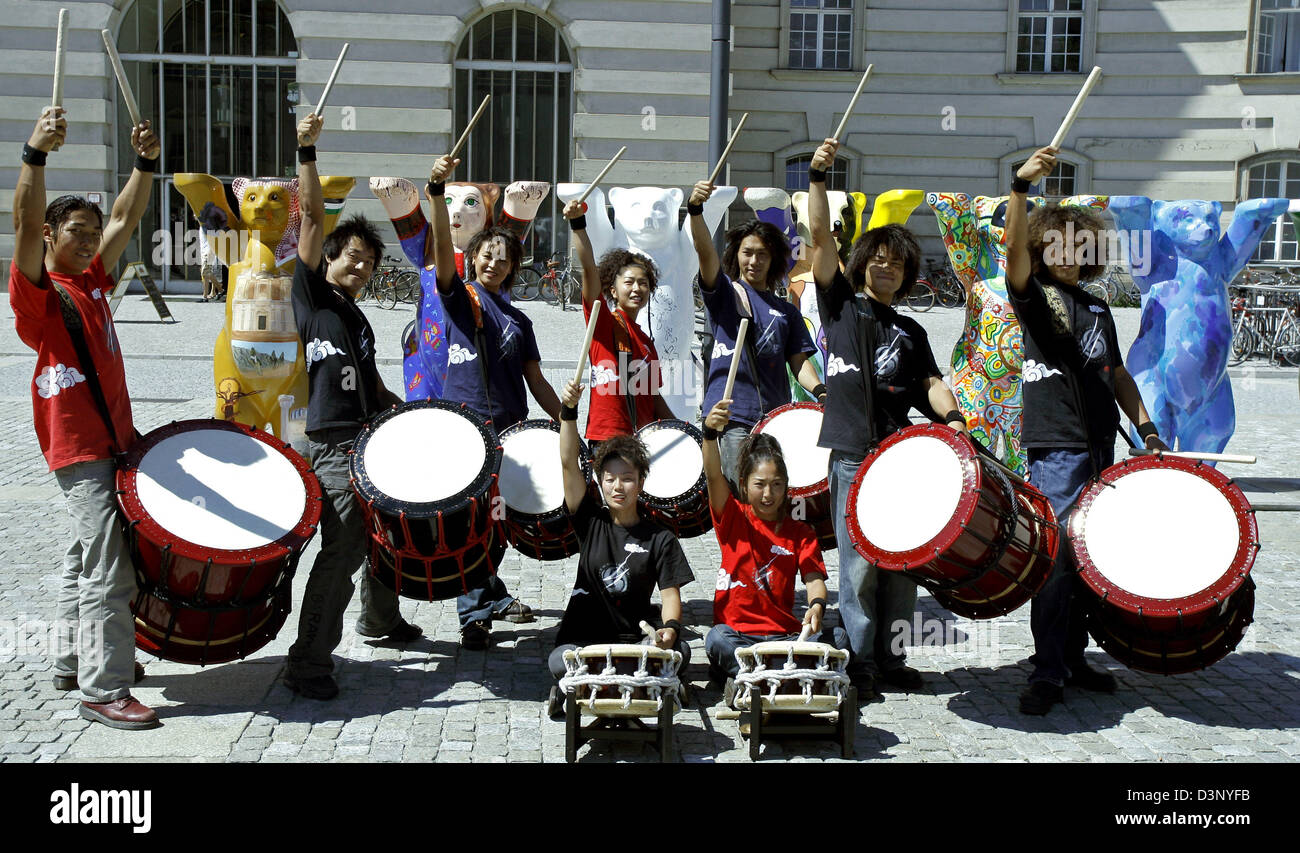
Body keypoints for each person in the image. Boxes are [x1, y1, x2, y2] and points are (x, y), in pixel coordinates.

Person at [1005, 145, 1168, 715]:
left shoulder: (1097, 307)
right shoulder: (1034, 296)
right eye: (1056, 244)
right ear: (1042, 249)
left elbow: (1117, 373)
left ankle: (1073, 656)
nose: (1068, 253)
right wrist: (1020, 188)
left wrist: (1146, 429)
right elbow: (1012, 263)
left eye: (1078, 244)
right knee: (1055, 557)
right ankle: (1046, 669)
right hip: (1057, 447)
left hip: (1100, 443)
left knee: (1088, 551)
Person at [10, 106, 159, 728]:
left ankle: (75, 653)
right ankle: (103, 689)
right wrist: (35, 154)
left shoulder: (95, 277)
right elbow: (19, 217)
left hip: (112, 442)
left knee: (84, 553)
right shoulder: (38, 295)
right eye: (75, 230)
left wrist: (145, 163)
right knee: (109, 567)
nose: (89, 239)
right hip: (79, 448)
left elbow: (126, 215)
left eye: (90, 232)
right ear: (49, 236)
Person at [808, 137, 969, 697]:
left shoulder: (913, 331)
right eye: (879, 261)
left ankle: (894, 659)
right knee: (856, 568)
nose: (887, 270)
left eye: (897, 265)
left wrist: (952, 421)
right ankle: (859, 661)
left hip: (898, 458)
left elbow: (930, 384)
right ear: (862, 266)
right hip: (853, 455)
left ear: (907, 276)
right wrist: (818, 178)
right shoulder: (840, 306)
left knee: (902, 564)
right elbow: (819, 239)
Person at [283, 113, 419, 701]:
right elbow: (311, 216)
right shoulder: (312, 292)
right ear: (329, 258)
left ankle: (381, 621)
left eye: (369, 260)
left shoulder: (357, 319)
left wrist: (413, 415)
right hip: (329, 440)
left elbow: (368, 383)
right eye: (352, 256)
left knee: (379, 531)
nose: (361, 266)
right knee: (342, 551)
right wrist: (308, 150)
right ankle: (308, 662)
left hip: (362, 435)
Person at [428, 153, 561, 649]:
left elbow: (536, 380)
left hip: (509, 430)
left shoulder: (521, 323)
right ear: (474, 258)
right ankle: (475, 614)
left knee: (498, 523)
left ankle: (487, 595)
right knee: (475, 522)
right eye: (487, 253)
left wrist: (566, 417)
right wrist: (436, 196)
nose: (494, 261)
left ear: (512, 268)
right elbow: (443, 252)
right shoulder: (462, 298)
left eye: (504, 257)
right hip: (466, 429)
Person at [547, 380, 693, 718]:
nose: (618, 486)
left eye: (627, 478)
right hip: (584, 640)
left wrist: (670, 629)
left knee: (680, 650)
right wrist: (568, 412)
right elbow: (569, 463)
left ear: (641, 481)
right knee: (559, 659)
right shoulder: (589, 520)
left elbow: (670, 595)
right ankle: (642, 683)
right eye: (610, 479)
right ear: (600, 481)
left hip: (636, 641)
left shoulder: (660, 538)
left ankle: (593, 685)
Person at [699, 399, 847, 706]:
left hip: (786, 638)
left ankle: (751, 679)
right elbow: (713, 476)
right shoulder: (732, 517)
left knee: (841, 640)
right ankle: (784, 677)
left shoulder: (800, 532)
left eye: (777, 485)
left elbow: (815, 580)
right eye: (760, 484)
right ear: (744, 485)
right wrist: (709, 434)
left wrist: (817, 607)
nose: (768, 494)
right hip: (738, 637)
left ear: (787, 487)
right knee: (715, 640)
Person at [687, 181, 824, 488]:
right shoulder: (725, 295)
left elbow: (799, 362)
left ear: (773, 259)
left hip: (776, 419)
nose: (754, 261)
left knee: (773, 498)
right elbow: (705, 253)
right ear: (736, 255)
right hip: (732, 419)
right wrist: (696, 211)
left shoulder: (786, 310)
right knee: (741, 498)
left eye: (762, 254)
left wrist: (821, 392)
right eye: (747, 253)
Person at [564, 199, 675, 452]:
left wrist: (682, 431)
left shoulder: (647, 343)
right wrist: (578, 225)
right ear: (612, 289)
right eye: (629, 282)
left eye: (644, 283)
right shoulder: (603, 323)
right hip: (608, 440)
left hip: (644, 443)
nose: (637, 288)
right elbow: (590, 270)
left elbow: (654, 398)